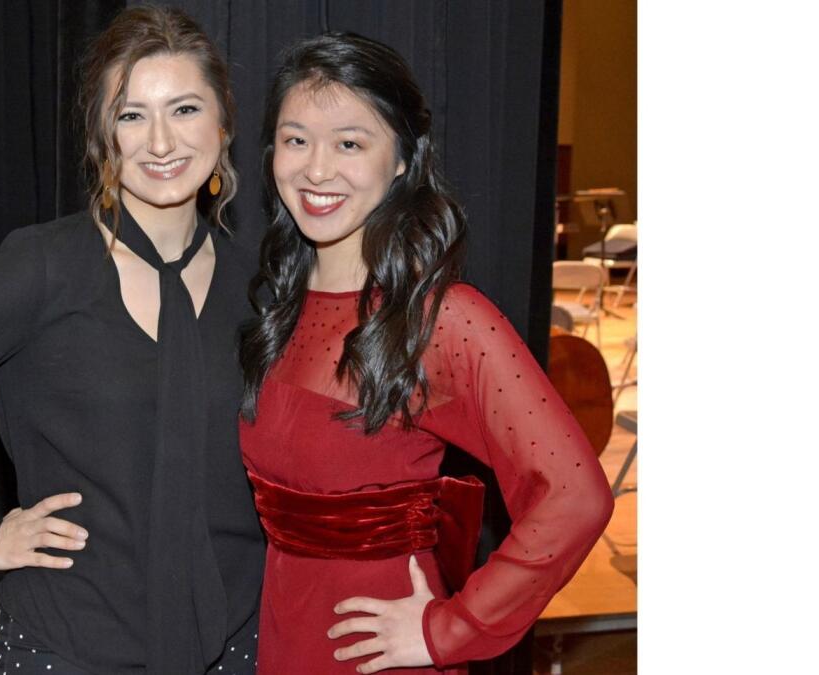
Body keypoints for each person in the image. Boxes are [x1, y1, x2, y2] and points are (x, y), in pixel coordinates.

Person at [0, 6, 264, 674]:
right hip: (72, 647)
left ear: (223, 123)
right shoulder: (44, 268)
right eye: (131, 114)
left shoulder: (259, 286)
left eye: (184, 109)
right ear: (102, 138)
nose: (160, 140)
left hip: (236, 644)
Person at [238, 33, 614, 674]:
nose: (316, 168)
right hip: (284, 638)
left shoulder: (440, 319)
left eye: (350, 143)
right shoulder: (280, 304)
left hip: (381, 658)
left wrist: (454, 628)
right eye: (296, 139)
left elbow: (575, 497)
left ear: (403, 161)